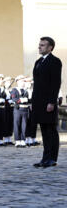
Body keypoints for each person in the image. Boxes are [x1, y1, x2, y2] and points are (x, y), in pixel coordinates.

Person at [32, 37, 62, 168]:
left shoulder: (55, 61)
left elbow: (55, 83)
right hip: (39, 102)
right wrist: (33, 102)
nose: (39, 47)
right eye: (39, 45)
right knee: (44, 130)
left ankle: (52, 158)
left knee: (51, 130)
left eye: (43, 45)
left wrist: (51, 102)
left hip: (48, 102)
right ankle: (45, 158)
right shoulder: (38, 62)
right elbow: (37, 85)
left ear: (50, 47)